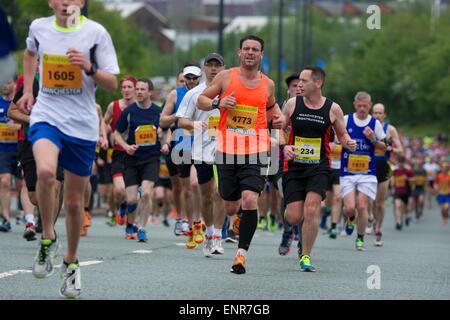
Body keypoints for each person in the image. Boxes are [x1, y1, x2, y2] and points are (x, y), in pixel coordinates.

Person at [17, 0, 119, 298]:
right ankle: (47, 236)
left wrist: (88, 67)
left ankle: (71, 262)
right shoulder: (39, 27)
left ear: (81, 3)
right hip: (47, 114)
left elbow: (112, 82)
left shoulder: (96, 33)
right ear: (51, 2)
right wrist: (26, 91)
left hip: (82, 124)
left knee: (75, 203)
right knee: (46, 172)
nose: (65, 2)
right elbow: (29, 53)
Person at [198, 35, 286, 274]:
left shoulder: (267, 84)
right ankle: (238, 218)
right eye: (246, 48)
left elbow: (271, 107)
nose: (250, 52)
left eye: (255, 49)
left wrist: (280, 118)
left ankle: (241, 256)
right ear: (239, 52)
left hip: (256, 150)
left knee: (250, 200)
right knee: (229, 205)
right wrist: (218, 104)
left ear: (261, 55)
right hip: (227, 150)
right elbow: (201, 100)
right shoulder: (226, 77)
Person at [280, 66, 356, 271]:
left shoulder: (333, 109)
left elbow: (342, 134)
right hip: (294, 167)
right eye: (299, 82)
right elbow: (278, 129)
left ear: (318, 83)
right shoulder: (292, 104)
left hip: (319, 167)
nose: (299, 85)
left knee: (311, 209)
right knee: (294, 216)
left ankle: (305, 255)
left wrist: (348, 142)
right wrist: (285, 145)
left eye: (304, 81)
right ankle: (297, 228)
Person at [177, 52, 226, 255]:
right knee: (206, 196)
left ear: (223, 68)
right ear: (204, 68)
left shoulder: (230, 92)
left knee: (219, 193)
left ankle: (217, 237)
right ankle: (208, 232)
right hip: (201, 150)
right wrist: (194, 123)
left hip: (224, 149)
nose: (213, 69)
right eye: (210, 65)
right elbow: (181, 121)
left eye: (217, 65)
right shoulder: (194, 93)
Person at [114, 79, 170, 241]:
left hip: (151, 159)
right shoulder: (129, 111)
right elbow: (117, 133)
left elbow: (167, 130)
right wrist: (126, 147)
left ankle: (142, 228)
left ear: (150, 93)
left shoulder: (158, 111)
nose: (138, 92)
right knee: (132, 198)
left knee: (146, 194)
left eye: (142, 89)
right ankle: (126, 208)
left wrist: (166, 144)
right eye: (137, 89)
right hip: (131, 160)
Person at [160, 63, 202, 237]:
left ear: (200, 78)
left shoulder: (206, 92)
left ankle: (198, 221)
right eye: (188, 77)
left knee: (195, 184)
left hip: (201, 142)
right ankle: (188, 222)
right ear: (183, 78)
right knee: (186, 188)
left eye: (194, 78)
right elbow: (162, 121)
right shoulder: (175, 94)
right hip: (182, 141)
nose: (191, 81)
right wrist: (177, 116)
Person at [340, 92, 386, 251]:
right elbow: (335, 141)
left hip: (367, 172)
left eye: (365, 106)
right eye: (359, 106)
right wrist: (346, 143)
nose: (361, 109)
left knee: (361, 205)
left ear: (370, 105)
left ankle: (360, 238)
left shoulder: (375, 124)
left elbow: (384, 147)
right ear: (354, 104)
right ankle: (350, 219)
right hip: (347, 171)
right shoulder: (346, 120)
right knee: (350, 208)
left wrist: (373, 138)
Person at [103, 76, 137, 226]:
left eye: (129, 87)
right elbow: (104, 122)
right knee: (119, 189)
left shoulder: (140, 106)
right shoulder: (114, 106)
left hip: (136, 154)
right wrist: (104, 136)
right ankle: (121, 206)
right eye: (124, 87)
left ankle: (131, 224)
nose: (126, 90)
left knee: (133, 193)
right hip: (118, 152)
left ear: (135, 89)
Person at [371, 103, 403, 246]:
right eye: (375, 113)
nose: (377, 115)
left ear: (384, 115)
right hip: (368, 165)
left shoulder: (390, 130)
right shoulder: (367, 127)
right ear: (372, 114)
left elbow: (400, 149)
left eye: (380, 113)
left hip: (383, 166)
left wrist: (389, 148)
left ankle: (378, 229)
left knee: (379, 202)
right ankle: (371, 220)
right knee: (369, 200)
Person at [0, 79, 21, 232]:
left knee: (23, 186)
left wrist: (18, 126)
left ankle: (28, 215)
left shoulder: (20, 103)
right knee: (5, 181)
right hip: (3, 150)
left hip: (20, 148)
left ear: (14, 84)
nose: (4, 86)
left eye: (7, 82)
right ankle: (6, 217)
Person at [392, 156, 415, 230]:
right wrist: (392, 184)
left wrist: (407, 179)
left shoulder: (408, 171)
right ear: (397, 163)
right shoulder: (394, 171)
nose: (400, 165)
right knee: (398, 206)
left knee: (406, 208)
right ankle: (398, 222)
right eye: (399, 163)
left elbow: (414, 180)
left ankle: (407, 216)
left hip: (406, 192)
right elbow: (392, 181)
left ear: (404, 163)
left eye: (402, 163)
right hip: (397, 192)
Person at [434, 161, 450, 225]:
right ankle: (444, 218)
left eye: (446, 167)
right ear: (441, 168)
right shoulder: (438, 176)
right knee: (442, 209)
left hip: (448, 194)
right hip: (440, 194)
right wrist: (436, 188)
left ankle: (446, 217)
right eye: (443, 167)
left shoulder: (449, 176)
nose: (444, 169)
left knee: (446, 207)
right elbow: (435, 183)